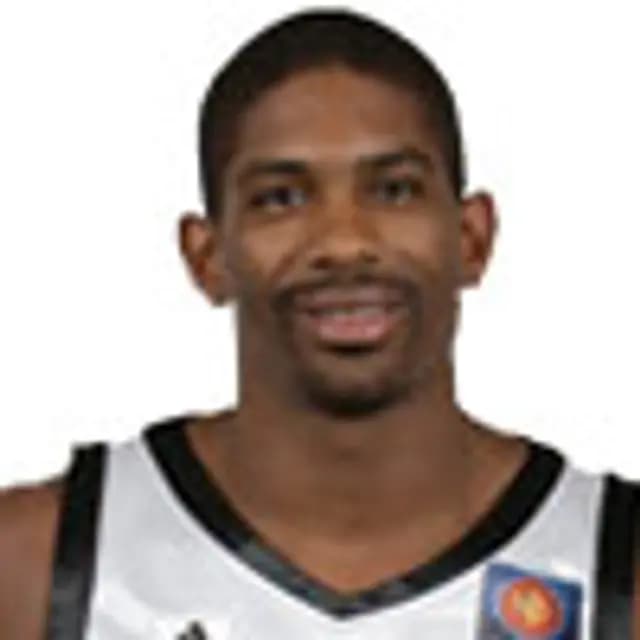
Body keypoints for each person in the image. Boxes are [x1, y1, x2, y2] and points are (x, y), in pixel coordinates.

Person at [0, 8, 637, 639]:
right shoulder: (34, 563)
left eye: (394, 190)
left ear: (472, 237)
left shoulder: (614, 570)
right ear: (206, 256)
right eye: (281, 198)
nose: (344, 242)